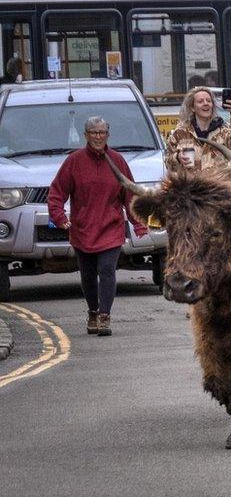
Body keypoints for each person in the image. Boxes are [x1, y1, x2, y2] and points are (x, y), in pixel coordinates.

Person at [47, 117, 148, 336]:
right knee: (88, 274)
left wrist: (139, 224)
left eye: (102, 132)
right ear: (86, 136)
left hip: (110, 227)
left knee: (107, 270)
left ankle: (104, 315)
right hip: (82, 229)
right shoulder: (74, 161)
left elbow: (130, 195)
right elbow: (56, 193)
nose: (98, 137)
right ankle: (92, 311)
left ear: (108, 135)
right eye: (94, 133)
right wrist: (59, 217)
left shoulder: (117, 161)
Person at [164, 86, 231, 172]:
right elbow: (168, 164)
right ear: (192, 107)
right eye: (200, 101)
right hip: (191, 184)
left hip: (218, 183)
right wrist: (177, 157)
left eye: (209, 101)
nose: (205, 103)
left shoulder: (223, 131)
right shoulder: (180, 133)